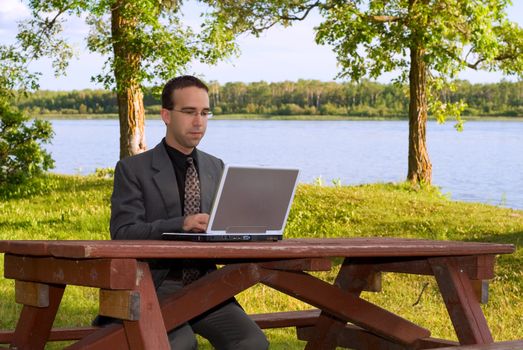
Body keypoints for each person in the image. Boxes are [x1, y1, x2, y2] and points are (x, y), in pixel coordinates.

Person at [105, 75, 269, 350]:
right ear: (166, 115)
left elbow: (223, 228)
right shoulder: (133, 169)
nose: (199, 122)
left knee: (251, 343)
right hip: (156, 286)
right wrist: (181, 224)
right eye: (190, 112)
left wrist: (254, 228)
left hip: (208, 286)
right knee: (181, 345)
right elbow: (122, 233)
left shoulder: (215, 166)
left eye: (205, 113)